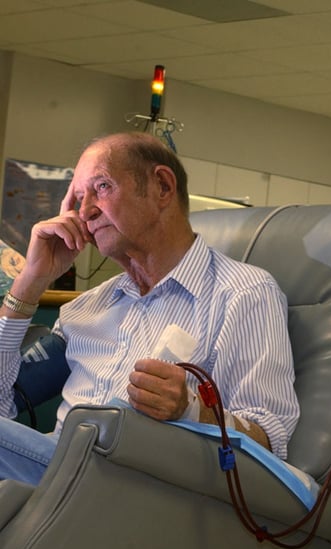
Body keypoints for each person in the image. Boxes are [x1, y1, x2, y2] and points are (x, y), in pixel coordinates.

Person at [0, 132, 299, 484]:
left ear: (162, 186)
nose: (85, 211)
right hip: (51, 481)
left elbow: (271, 439)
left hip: (138, 491)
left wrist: (192, 410)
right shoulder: (87, 309)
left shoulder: (243, 295)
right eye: (79, 198)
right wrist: (31, 280)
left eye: (102, 187)